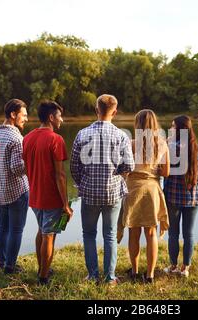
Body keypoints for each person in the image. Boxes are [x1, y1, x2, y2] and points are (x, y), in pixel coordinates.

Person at [70, 94, 134, 286]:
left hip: (89, 193)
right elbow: (129, 165)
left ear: (97, 110)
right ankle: (109, 277)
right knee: (110, 234)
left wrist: (83, 181)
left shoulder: (82, 134)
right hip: (113, 193)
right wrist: (116, 177)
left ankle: (92, 275)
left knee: (88, 234)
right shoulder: (122, 135)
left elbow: (74, 166)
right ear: (114, 112)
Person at [23, 100, 73, 285]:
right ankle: (43, 277)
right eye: (60, 116)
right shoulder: (55, 139)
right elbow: (60, 175)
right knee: (49, 235)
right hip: (51, 197)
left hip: (34, 196)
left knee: (42, 231)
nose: (62, 120)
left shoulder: (27, 138)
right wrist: (66, 204)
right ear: (51, 118)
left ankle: (42, 266)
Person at [120, 109, 170, 284]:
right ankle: (149, 275)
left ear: (137, 125)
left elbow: (124, 170)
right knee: (151, 232)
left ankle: (134, 271)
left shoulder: (130, 143)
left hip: (133, 188)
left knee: (133, 231)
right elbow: (166, 172)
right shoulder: (162, 144)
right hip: (152, 189)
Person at [0, 98, 29, 275]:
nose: (26, 119)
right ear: (13, 114)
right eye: (23, 115)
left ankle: (2, 261)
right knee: (16, 229)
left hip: (0, 191)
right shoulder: (16, 138)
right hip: (18, 191)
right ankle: (10, 266)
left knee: (3, 227)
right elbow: (17, 169)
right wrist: (31, 163)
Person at [163, 115, 198, 278]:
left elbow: (163, 171)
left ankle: (173, 265)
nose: (171, 129)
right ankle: (185, 268)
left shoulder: (170, 148)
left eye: (173, 127)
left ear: (179, 130)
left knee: (173, 233)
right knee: (189, 234)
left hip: (173, 197)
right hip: (193, 198)